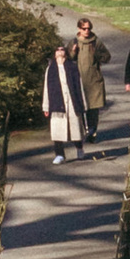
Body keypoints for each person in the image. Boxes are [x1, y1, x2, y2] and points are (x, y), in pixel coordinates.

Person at [43, 35, 87, 164]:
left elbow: (80, 86)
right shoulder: (50, 69)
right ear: (54, 54)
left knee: (75, 128)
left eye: (62, 49)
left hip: (72, 102)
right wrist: (46, 107)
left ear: (66, 54)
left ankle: (79, 148)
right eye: (57, 50)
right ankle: (59, 154)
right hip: (57, 104)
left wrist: (83, 104)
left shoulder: (72, 67)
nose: (60, 51)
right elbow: (46, 88)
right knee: (57, 131)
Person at [74, 18, 107, 145]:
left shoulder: (96, 42)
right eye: (84, 29)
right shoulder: (74, 42)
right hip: (79, 81)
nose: (87, 31)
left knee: (93, 110)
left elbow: (107, 56)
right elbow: (68, 58)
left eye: (88, 28)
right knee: (81, 108)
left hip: (94, 81)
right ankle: (83, 131)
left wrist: (98, 55)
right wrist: (73, 51)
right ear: (79, 29)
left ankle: (92, 133)